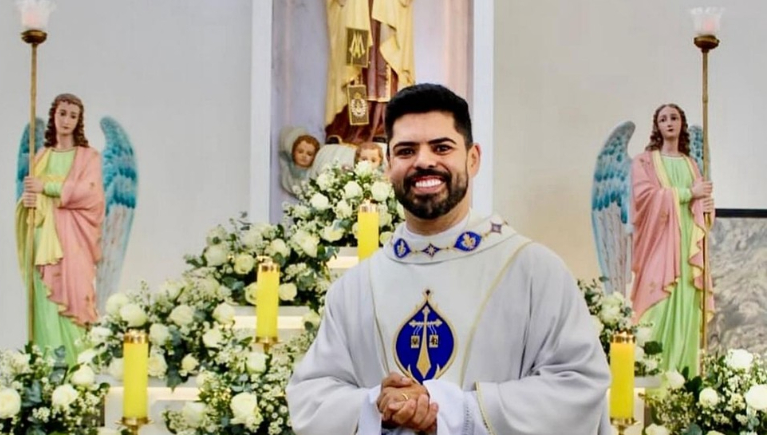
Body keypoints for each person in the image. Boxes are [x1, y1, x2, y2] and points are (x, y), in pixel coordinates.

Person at [287, 83, 610, 435]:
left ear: (473, 159)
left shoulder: (534, 271)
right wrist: (376, 405)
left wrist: (455, 411)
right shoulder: (355, 288)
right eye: (406, 150)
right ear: (388, 165)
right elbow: (312, 397)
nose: (424, 161)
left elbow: (578, 385)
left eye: (441, 147)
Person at [16, 93, 105, 365]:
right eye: (62, 113)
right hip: (43, 240)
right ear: (53, 115)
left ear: (79, 121)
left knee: (76, 296)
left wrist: (47, 187)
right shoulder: (41, 156)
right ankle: (47, 368)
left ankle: (78, 369)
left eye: (73, 115)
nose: (66, 120)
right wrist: (29, 201)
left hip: (73, 241)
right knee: (46, 301)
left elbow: (91, 195)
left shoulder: (88, 157)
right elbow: (33, 198)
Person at [630, 103, 714, 378]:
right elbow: (644, 199)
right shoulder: (644, 162)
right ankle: (651, 375)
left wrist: (706, 207)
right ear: (657, 126)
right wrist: (689, 193)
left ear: (681, 124)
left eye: (674, 117)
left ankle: (682, 380)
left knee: (686, 308)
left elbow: (699, 211)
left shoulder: (691, 164)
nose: (669, 122)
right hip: (660, 245)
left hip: (688, 248)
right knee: (656, 306)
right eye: (663, 118)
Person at [325, 0, 415, 145]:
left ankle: (382, 127)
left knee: (385, 66)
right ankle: (353, 128)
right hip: (356, 11)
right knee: (355, 67)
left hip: (385, 11)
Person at [278, 127, 321, 195]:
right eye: (300, 151)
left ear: (314, 157)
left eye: (309, 154)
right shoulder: (287, 170)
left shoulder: (312, 174)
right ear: (293, 152)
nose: (304, 156)